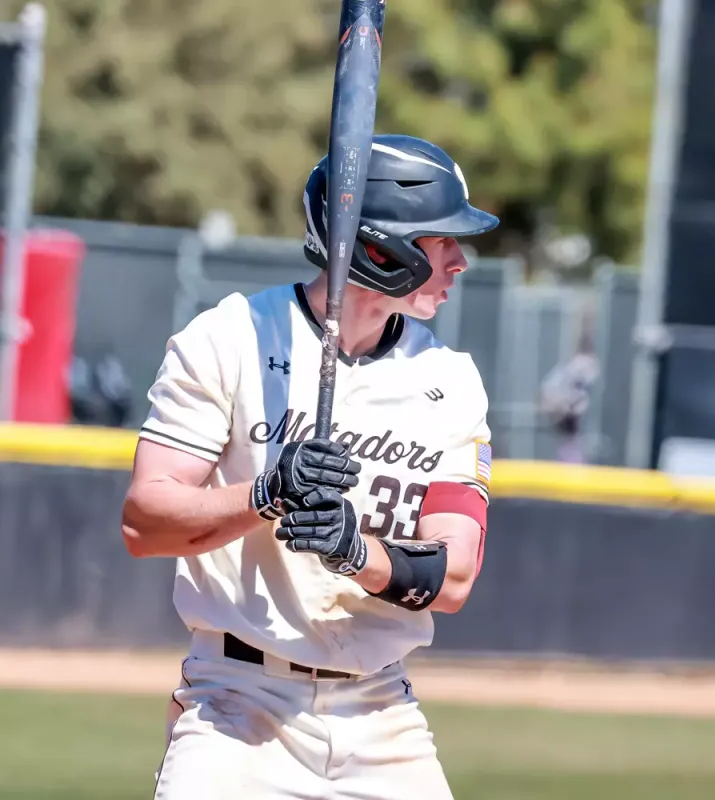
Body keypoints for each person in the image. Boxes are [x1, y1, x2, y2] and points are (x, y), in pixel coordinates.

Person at [121, 134, 498, 800]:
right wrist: (266, 494)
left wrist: (357, 553)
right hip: (237, 705)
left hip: (382, 715)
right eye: (442, 242)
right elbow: (145, 522)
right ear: (384, 247)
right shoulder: (231, 338)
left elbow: (455, 575)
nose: (460, 261)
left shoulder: (451, 381)